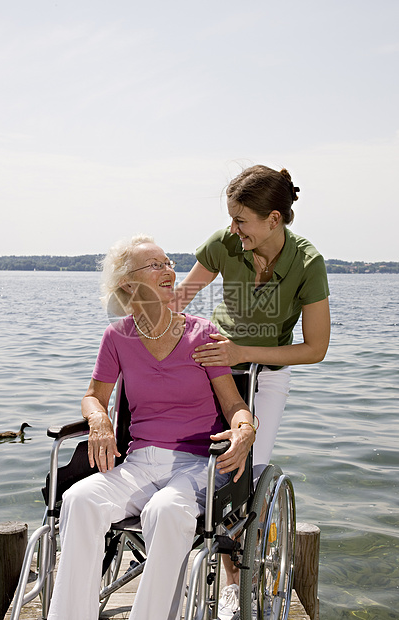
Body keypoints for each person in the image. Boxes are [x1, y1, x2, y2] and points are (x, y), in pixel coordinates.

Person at [47, 235, 255, 620]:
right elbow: (93, 396)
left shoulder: (202, 333)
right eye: (155, 264)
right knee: (79, 499)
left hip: (196, 463)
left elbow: (234, 404)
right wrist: (99, 419)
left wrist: (244, 429)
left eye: (168, 262)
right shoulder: (117, 336)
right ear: (128, 283)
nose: (169, 270)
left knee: (166, 510)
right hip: (139, 463)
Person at [171, 164, 331, 620]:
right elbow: (179, 302)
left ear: (274, 219)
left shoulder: (308, 262)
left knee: (247, 469)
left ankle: (231, 582)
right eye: (231, 217)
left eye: (242, 220)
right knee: (204, 462)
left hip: (270, 368)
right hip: (215, 361)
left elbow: (316, 348)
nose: (233, 228)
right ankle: (187, 546)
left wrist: (244, 348)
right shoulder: (224, 244)